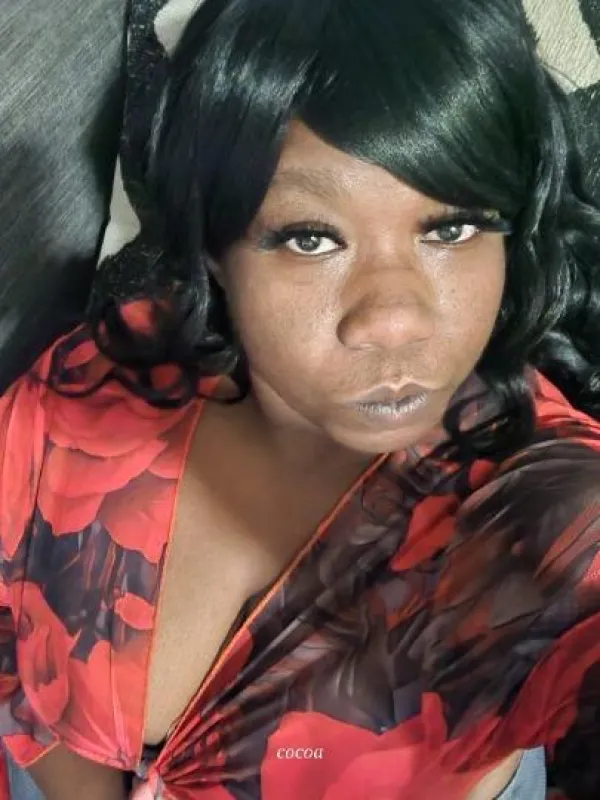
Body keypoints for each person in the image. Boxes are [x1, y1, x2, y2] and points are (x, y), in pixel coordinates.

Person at [1, 0, 599, 797]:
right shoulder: (100, 383)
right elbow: (20, 649)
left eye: (451, 229)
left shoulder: (553, 513)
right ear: (216, 249)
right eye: (310, 238)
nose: (393, 319)